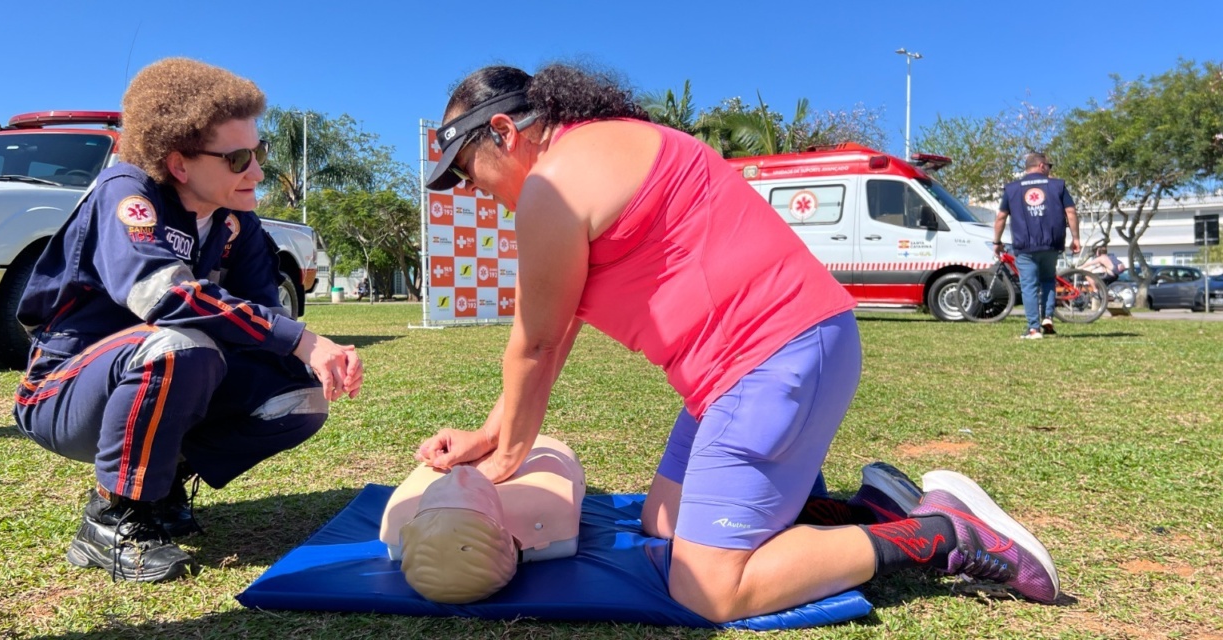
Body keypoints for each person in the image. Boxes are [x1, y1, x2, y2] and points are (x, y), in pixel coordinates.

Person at [414, 64, 1059, 623]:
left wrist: (506, 459)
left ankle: (945, 533)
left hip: (771, 367)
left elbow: (536, 346)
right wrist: (492, 435)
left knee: (708, 590)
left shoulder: (551, 188)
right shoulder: (617, 140)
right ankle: (865, 510)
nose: (480, 194)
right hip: (770, 362)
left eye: (471, 174)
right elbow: (553, 334)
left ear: (503, 132)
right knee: (661, 523)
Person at [13, 58, 363, 583]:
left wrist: (307, 354)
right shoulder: (126, 192)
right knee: (181, 343)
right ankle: (111, 517)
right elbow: (163, 295)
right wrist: (301, 337)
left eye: (259, 152)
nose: (258, 172)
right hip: (61, 393)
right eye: (239, 158)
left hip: (161, 371)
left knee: (301, 394)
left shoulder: (235, 221)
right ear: (179, 164)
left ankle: (159, 483)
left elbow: (261, 315)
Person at [993, 152, 1081, 339]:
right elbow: (1071, 212)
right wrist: (1076, 238)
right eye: (1049, 165)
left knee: (1029, 285)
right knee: (1048, 279)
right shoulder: (1057, 185)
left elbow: (1001, 217)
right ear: (1041, 166)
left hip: (1025, 245)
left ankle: (1034, 328)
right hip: (1051, 243)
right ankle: (1047, 316)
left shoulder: (1012, 189)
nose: (1050, 169)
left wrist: (997, 242)